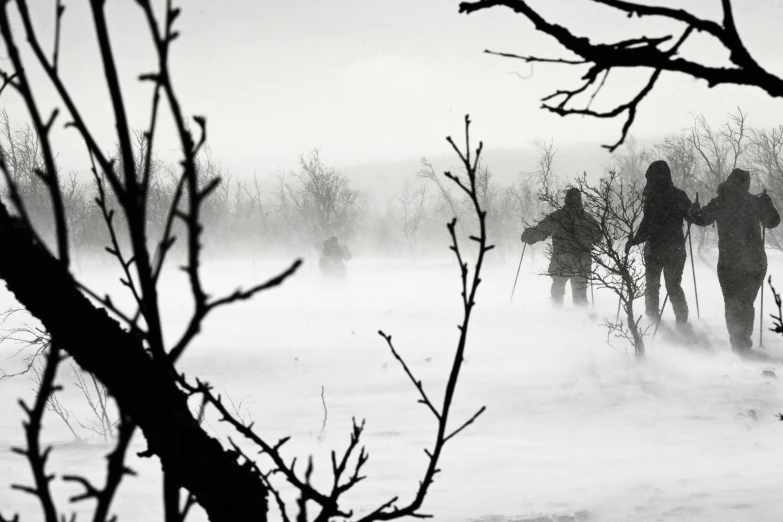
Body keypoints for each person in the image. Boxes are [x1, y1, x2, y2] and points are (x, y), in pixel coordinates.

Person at [688, 168, 780, 353]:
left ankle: (737, 342)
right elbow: (772, 222)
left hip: (729, 262)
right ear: (745, 183)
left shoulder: (720, 202)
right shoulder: (754, 202)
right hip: (754, 262)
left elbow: (700, 219)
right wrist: (767, 204)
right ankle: (743, 341)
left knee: (731, 302)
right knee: (746, 303)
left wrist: (693, 210)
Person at [624, 160, 692, 327]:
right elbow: (691, 216)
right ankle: (680, 320)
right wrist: (694, 211)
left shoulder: (652, 196)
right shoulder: (678, 195)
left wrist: (634, 240)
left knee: (653, 286)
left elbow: (648, 224)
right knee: (672, 286)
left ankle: (653, 319)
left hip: (655, 248)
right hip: (674, 248)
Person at [521, 188, 602, 307]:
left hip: (561, 260)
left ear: (566, 199)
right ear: (579, 200)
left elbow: (541, 231)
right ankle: (582, 318)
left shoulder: (557, 217)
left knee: (557, 291)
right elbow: (598, 238)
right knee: (580, 294)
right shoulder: (588, 219)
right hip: (582, 261)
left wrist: (529, 236)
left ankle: (556, 317)